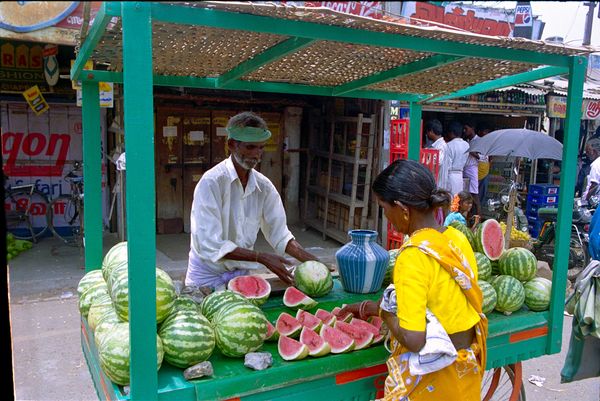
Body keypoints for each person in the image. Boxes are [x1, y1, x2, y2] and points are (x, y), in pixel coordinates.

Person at [341, 159, 487, 401]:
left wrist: (387, 314)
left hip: (435, 382)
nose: (387, 217)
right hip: (463, 374)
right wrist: (370, 308)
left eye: (384, 208)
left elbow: (415, 340)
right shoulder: (456, 238)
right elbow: (441, 304)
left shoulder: (412, 256)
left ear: (402, 208)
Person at [185, 111, 318, 290]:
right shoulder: (211, 183)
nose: (257, 154)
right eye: (250, 147)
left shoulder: (264, 187)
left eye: (261, 148)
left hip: (241, 275)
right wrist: (260, 257)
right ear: (232, 144)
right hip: (206, 276)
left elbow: (279, 234)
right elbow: (210, 243)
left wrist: (314, 263)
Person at [444, 121, 470, 197]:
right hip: (460, 175)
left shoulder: (449, 145)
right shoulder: (466, 145)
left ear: (451, 132)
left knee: (449, 198)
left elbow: (447, 164)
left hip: (450, 175)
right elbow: (467, 162)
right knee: (457, 199)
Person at [424, 119, 450, 191]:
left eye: (427, 132)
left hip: (439, 182)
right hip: (437, 182)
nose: (426, 135)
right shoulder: (436, 145)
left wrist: (426, 155)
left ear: (431, 131)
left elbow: (437, 162)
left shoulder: (440, 146)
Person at [462, 122, 481, 217]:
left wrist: (471, 151)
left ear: (472, 128)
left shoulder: (479, 141)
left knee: (475, 195)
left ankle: (479, 218)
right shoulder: (466, 141)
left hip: (472, 169)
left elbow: (483, 157)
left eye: (466, 128)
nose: (464, 131)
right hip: (465, 169)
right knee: (466, 196)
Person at [476, 122, 492, 205]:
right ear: (479, 132)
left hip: (485, 171)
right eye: (485, 131)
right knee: (475, 194)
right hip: (476, 171)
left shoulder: (489, 143)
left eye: (488, 131)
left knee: (482, 194)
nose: (487, 134)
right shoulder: (476, 142)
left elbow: (490, 158)